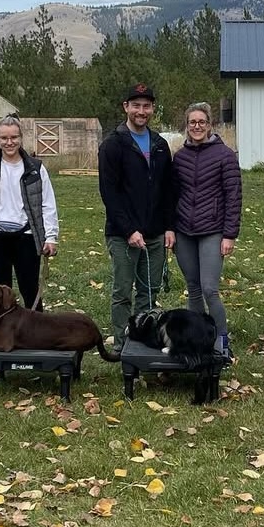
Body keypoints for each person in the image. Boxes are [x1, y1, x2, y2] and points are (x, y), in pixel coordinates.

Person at [98, 82, 177, 346]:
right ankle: (122, 344)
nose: (141, 111)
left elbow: (168, 189)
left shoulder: (160, 144)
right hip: (123, 235)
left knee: (150, 292)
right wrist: (129, 229)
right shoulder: (113, 144)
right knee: (123, 292)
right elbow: (110, 193)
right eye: (136, 106)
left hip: (155, 233)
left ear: (152, 109)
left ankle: (142, 341)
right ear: (126, 107)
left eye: (146, 106)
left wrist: (168, 226)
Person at [0, 115, 59, 310]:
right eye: (4, 138)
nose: (9, 143)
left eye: (14, 137)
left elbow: (47, 204)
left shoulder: (36, 169)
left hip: (26, 237)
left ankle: (35, 331)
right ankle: (2, 333)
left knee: (30, 288)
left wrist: (51, 237)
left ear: (21, 138)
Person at [172, 102, 242, 357]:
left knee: (210, 289)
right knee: (193, 288)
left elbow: (233, 196)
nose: (197, 126)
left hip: (213, 230)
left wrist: (229, 234)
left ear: (210, 124)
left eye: (202, 122)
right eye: (192, 122)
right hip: (184, 232)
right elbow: (172, 195)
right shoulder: (179, 157)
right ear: (187, 126)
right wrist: (171, 228)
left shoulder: (225, 155)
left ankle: (221, 342)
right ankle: (196, 340)